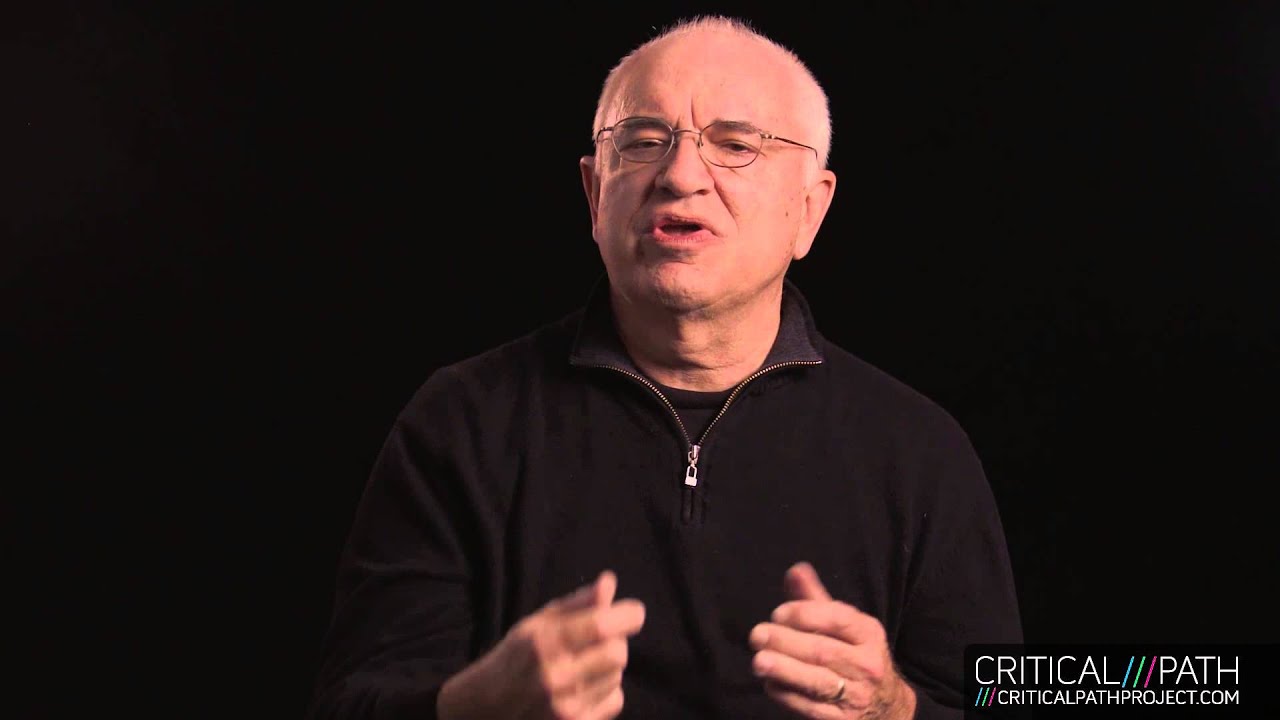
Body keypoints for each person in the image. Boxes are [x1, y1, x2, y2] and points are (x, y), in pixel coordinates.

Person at [307, 15, 1022, 720]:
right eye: (644, 142)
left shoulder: (919, 450)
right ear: (595, 195)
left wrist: (892, 709)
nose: (680, 176)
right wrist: (475, 710)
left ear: (811, 209)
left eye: (736, 145)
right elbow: (346, 704)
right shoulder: (461, 423)